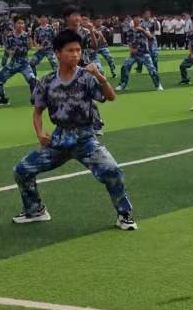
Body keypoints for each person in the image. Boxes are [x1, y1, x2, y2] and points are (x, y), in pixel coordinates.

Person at [11, 27, 136, 231]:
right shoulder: (47, 81)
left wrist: (99, 76)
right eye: (70, 50)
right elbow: (37, 111)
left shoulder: (86, 77)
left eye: (78, 50)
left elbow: (110, 97)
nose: (76, 54)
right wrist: (40, 133)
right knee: (22, 170)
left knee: (113, 171)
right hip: (59, 139)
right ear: (58, 53)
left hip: (85, 139)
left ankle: (124, 215)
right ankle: (35, 210)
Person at [0, 17, 35, 105]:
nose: (21, 25)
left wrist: (30, 36)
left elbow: (30, 47)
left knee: (32, 80)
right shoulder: (9, 36)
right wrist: (6, 57)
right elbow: (7, 49)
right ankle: (3, 98)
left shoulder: (26, 35)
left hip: (24, 63)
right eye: (19, 23)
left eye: (22, 23)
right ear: (14, 24)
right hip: (13, 63)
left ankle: (35, 99)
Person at [119, 15, 163, 91]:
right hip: (134, 54)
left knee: (152, 69)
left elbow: (150, 37)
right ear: (133, 20)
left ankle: (158, 85)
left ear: (140, 19)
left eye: (138, 18)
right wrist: (131, 49)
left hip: (144, 53)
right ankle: (123, 85)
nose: (137, 19)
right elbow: (129, 41)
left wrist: (142, 30)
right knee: (124, 67)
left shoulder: (145, 28)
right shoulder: (130, 30)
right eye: (135, 18)